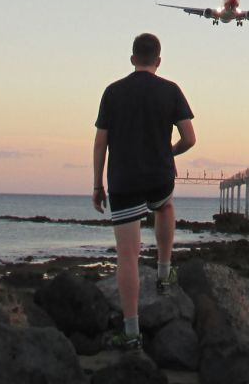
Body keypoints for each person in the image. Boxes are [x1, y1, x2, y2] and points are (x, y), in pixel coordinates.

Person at [92, 33, 196, 350]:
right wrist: (170, 154)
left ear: (133, 58)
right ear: (159, 60)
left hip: (123, 181)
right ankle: (164, 271)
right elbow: (190, 138)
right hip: (158, 177)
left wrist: (98, 185)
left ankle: (131, 331)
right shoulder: (171, 90)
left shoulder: (112, 92)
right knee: (164, 207)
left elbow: (101, 143)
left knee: (127, 256)